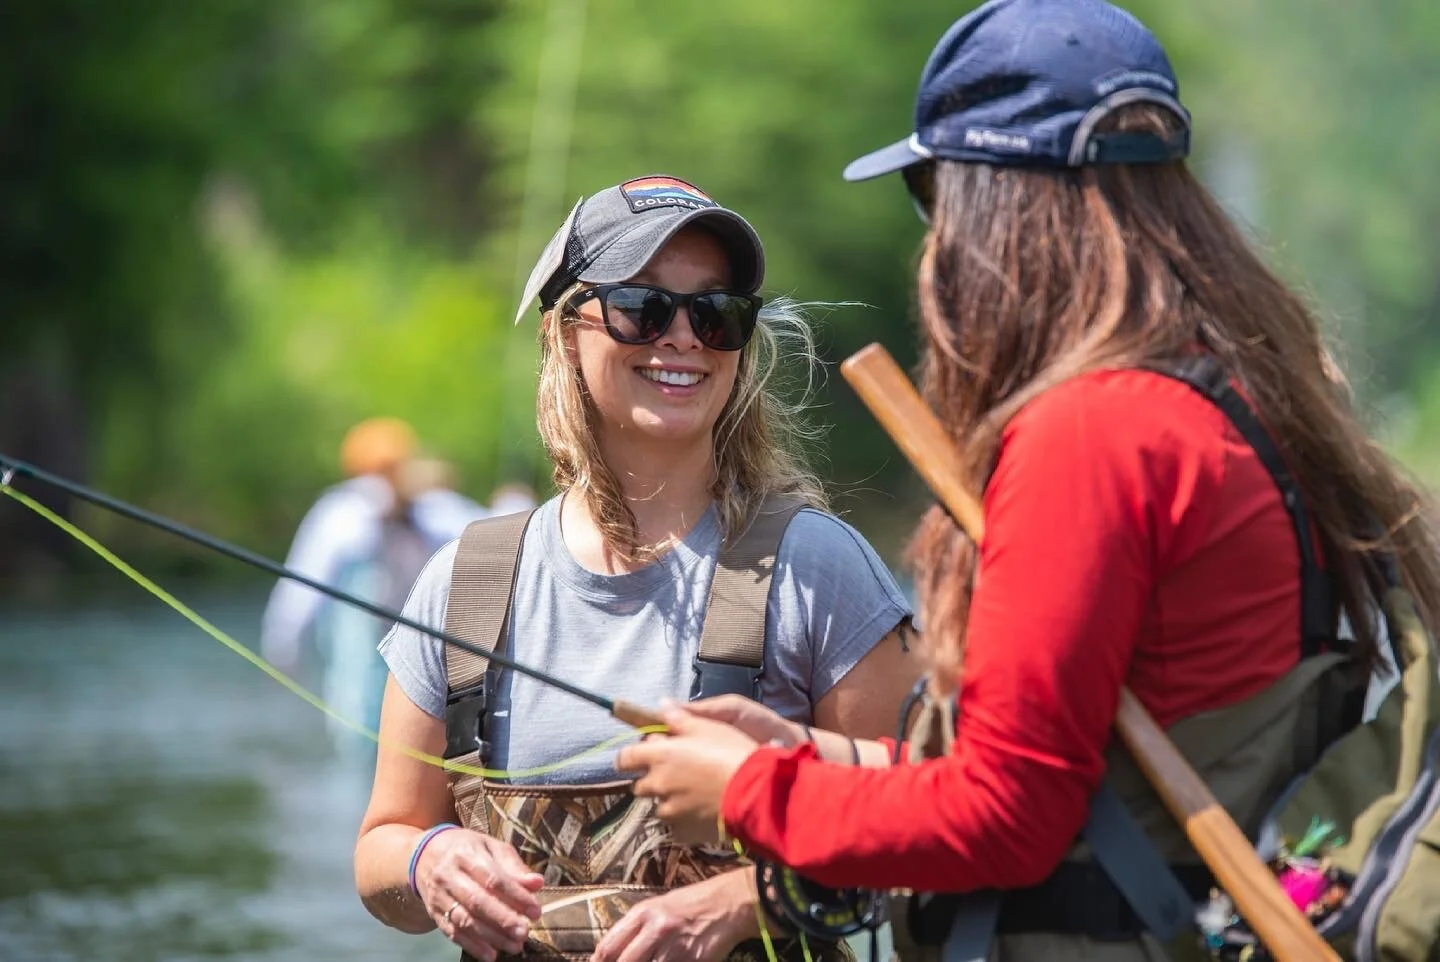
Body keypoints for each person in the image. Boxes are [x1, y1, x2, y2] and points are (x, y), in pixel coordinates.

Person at [614, 2, 1440, 960]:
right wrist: (814, 756)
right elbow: (1069, 767)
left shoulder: (1094, 436)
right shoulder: (1237, 399)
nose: (934, 242)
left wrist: (749, 795)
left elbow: (1006, 814)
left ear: (1001, 203)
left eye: (934, 192)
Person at [353, 174, 919, 962]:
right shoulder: (468, 583)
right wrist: (428, 862)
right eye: (642, 307)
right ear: (564, 333)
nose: (683, 337)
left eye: (716, 314)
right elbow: (386, 842)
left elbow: (926, 828)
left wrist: (747, 899)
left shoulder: (819, 567)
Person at [260, 419, 489, 759]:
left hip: (414, 658)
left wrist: (282, 647)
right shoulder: (346, 515)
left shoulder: (427, 509)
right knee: (372, 737)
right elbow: (302, 588)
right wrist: (284, 644)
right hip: (363, 660)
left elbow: (299, 590)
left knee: (379, 737)